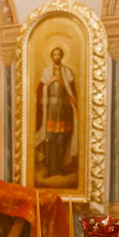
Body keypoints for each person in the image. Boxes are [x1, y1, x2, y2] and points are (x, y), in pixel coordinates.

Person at [34, 46, 77, 182]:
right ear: (52, 57)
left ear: (62, 56)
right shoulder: (47, 72)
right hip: (50, 110)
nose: (57, 57)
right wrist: (50, 82)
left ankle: (59, 168)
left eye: (59, 54)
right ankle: (50, 169)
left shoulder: (67, 72)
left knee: (61, 139)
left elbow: (72, 91)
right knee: (50, 139)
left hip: (63, 110)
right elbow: (39, 91)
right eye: (55, 55)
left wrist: (62, 82)